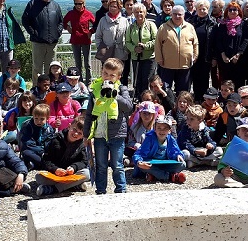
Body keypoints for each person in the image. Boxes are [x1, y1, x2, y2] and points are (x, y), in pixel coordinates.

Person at [83, 58, 133, 194]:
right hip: (99, 134)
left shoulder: (122, 89)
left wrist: (115, 95)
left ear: (118, 77)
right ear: (101, 72)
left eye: (112, 75)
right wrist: (86, 134)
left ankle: (121, 190)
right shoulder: (95, 90)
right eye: (105, 73)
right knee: (101, 165)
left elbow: (129, 107)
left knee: (117, 165)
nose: (108, 77)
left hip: (117, 134)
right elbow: (89, 114)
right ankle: (100, 191)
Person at [34, 116, 91, 196]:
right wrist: (55, 169)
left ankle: (54, 189)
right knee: (39, 177)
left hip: (71, 174)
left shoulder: (82, 145)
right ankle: (74, 185)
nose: (75, 134)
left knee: (87, 173)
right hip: (55, 174)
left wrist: (74, 167)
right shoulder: (56, 139)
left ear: (83, 136)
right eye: (74, 129)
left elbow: (83, 161)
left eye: (80, 133)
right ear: (69, 126)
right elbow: (46, 160)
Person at [22, 0, 64, 80]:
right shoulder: (32, 4)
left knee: (51, 68)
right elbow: (25, 20)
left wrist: (58, 33)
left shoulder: (55, 5)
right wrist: (33, 33)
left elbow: (61, 21)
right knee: (37, 68)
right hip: (38, 42)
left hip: (52, 43)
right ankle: (36, 89)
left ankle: (50, 88)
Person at [155, 5, 199, 94]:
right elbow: (157, 44)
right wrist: (159, 59)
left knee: (183, 91)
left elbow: (195, 43)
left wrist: (195, 56)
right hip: (167, 65)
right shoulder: (163, 27)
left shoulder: (190, 27)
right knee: (165, 89)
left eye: (180, 14)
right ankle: (167, 106)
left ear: (184, 15)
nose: (177, 16)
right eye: (175, 14)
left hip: (185, 65)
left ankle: (182, 106)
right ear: (171, 14)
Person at [133, 115, 187, 184]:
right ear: (155, 129)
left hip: (164, 164)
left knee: (183, 164)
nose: (162, 131)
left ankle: (156, 176)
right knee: (144, 167)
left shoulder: (170, 139)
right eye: (159, 128)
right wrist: (139, 162)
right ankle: (170, 176)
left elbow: (175, 151)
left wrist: (178, 155)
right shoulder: (150, 138)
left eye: (165, 128)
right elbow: (139, 153)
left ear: (169, 130)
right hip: (151, 164)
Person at [94, 0, 130, 85]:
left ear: (119, 7)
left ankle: (120, 93)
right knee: (107, 74)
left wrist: (126, 50)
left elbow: (128, 37)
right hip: (106, 54)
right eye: (110, 6)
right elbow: (98, 36)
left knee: (120, 75)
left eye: (114, 6)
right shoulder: (103, 20)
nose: (112, 8)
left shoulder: (125, 21)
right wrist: (101, 48)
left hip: (120, 54)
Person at [125, 3, 157, 96]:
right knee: (137, 81)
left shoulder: (151, 25)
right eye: (136, 12)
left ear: (145, 13)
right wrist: (134, 48)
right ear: (133, 13)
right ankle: (138, 99)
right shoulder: (130, 27)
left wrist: (145, 46)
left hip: (149, 58)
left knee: (147, 80)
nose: (139, 14)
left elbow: (156, 40)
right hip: (136, 58)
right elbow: (127, 42)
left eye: (141, 12)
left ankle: (149, 98)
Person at [213, 1, 248, 88]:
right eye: (230, 10)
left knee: (238, 82)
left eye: (235, 10)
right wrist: (223, 54)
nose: (232, 12)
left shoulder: (243, 24)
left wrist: (239, 54)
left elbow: (245, 40)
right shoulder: (222, 25)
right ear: (226, 12)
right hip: (224, 59)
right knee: (225, 83)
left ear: (238, 11)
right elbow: (218, 41)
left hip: (239, 59)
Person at [63, 0, 95, 83]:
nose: (78, 6)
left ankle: (89, 82)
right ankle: (79, 82)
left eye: (80, 3)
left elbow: (96, 24)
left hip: (85, 41)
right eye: (76, 3)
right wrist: (68, 28)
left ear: (83, 3)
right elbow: (64, 22)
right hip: (75, 40)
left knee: (87, 64)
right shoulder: (71, 13)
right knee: (78, 64)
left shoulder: (88, 14)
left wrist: (91, 31)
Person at [190, 0, 217, 102]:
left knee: (205, 78)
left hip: (207, 55)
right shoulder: (191, 22)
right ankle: (196, 99)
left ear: (208, 9)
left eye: (204, 9)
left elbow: (215, 42)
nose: (202, 11)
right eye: (200, 9)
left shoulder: (212, 23)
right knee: (195, 78)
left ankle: (204, 100)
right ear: (196, 9)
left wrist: (214, 57)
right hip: (194, 54)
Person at [18, 103, 56, 170]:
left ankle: (40, 163)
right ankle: (42, 164)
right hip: (32, 150)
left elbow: (50, 141)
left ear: (47, 118)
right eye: (36, 118)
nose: (39, 121)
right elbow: (28, 143)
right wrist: (41, 151)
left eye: (42, 119)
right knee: (26, 153)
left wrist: (47, 150)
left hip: (43, 151)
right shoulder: (28, 126)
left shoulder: (49, 128)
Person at [125, 100, 159, 166]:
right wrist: (135, 145)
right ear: (140, 114)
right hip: (138, 151)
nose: (146, 116)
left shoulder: (157, 127)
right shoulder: (134, 127)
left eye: (149, 113)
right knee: (127, 150)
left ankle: (132, 161)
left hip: (153, 151)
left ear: (153, 114)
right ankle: (134, 160)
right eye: (144, 113)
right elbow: (130, 142)